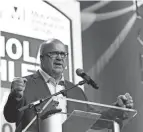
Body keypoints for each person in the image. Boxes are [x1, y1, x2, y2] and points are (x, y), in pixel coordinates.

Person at [3, 38, 134, 132]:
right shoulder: (26, 84)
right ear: (41, 58)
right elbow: (11, 116)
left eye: (63, 54)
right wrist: (16, 97)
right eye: (53, 53)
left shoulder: (76, 91)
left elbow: (94, 119)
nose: (59, 58)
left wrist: (117, 108)